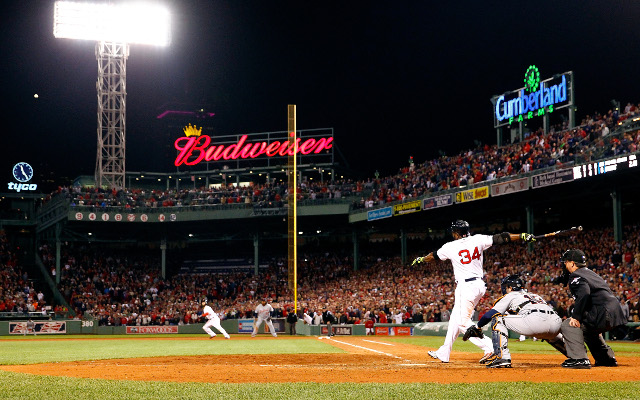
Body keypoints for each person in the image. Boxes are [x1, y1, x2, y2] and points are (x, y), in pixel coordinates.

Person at [412, 219, 536, 363]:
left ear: (457, 233)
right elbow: (502, 237)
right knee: (455, 319)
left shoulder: (450, 246)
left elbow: (432, 256)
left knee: (462, 322)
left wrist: (421, 259)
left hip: (466, 287)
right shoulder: (478, 239)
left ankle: (490, 347)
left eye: (454, 232)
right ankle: (444, 352)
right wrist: (522, 236)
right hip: (478, 285)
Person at [466, 274, 566, 368]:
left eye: (506, 287)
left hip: (535, 321)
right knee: (550, 334)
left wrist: (477, 326)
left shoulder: (511, 295)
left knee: (498, 318)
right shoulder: (535, 296)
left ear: (510, 287)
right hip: (555, 322)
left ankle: (502, 357)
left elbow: (490, 314)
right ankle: (576, 356)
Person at [559, 249, 626, 369]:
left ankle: (579, 359)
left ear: (573, 263)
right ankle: (606, 359)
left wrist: (576, 317)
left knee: (568, 325)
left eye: (566, 262)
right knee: (587, 329)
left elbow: (584, 293)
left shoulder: (576, 275)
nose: (565, 265)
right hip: (615, 313)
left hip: (603, 312)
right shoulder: (590, 273)